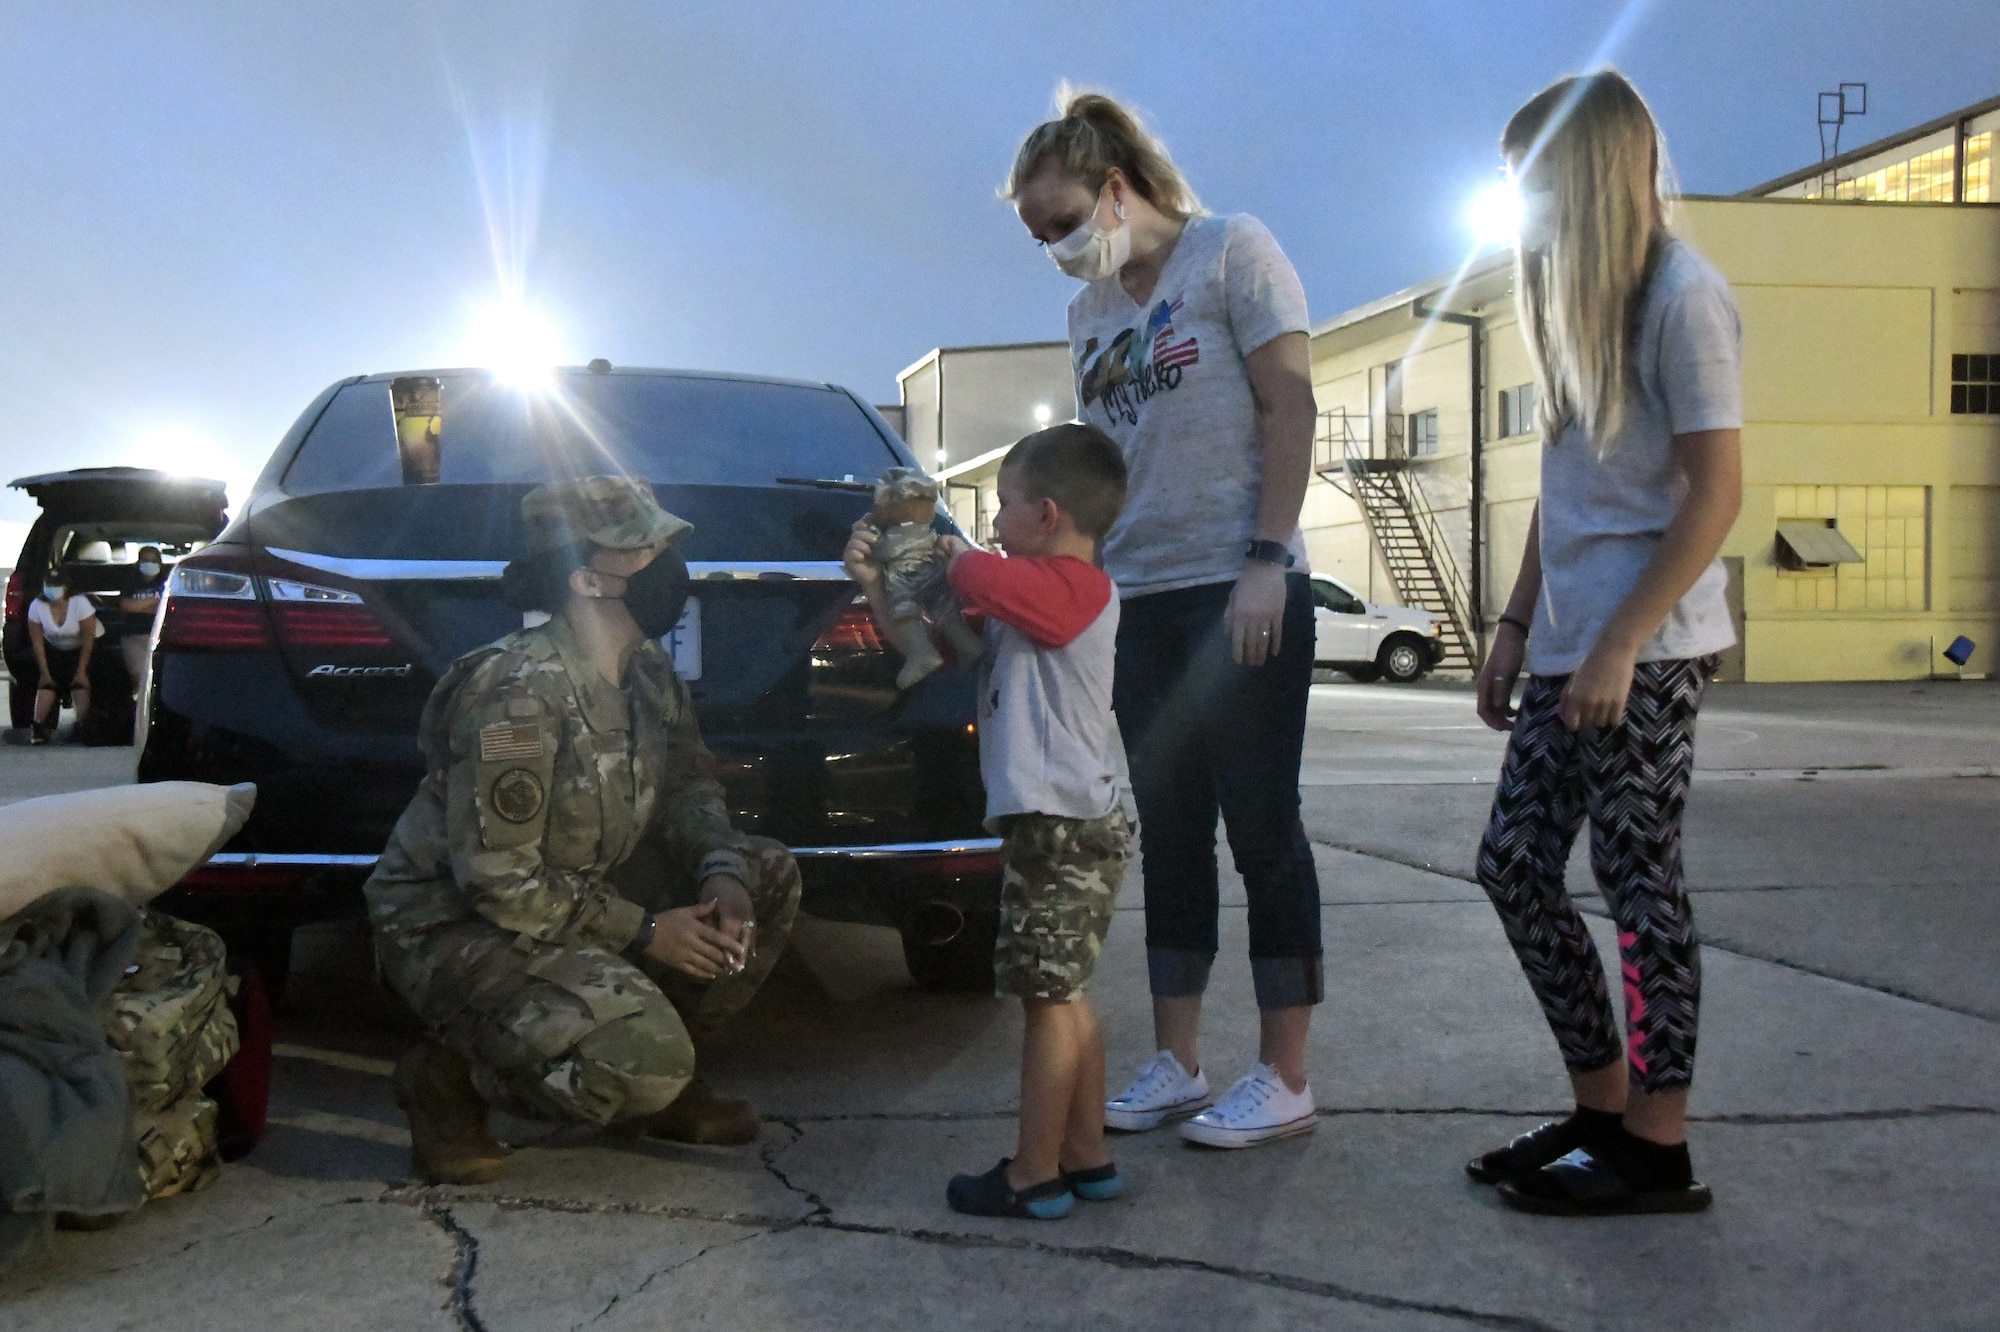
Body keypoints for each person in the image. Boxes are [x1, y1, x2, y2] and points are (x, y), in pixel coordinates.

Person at [1009, 89, 1324, 1148]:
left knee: (1261, 830)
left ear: (1112, 187)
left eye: (1060, 224)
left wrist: (1266, 561)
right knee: (1171, 835)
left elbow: (1290, 405)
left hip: (1235, 586)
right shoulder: (1087, 313)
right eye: (1036, 236)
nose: (1053, 249)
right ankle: (1178, 1061)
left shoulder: (1231, 252)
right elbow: (1103, 470)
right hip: (1135, 598)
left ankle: (1283, 1077)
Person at [1465, 71, 1742, 1216]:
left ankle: (1657, 1149)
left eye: (1530, 185)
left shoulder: (1683, 294)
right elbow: (1559, 489)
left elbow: (1715, 492)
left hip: (1647, 649)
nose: (1519, 208)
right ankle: (1598, 1108)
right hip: (1564, 645)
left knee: (1639, 891)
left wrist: (1621, 642)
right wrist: (1516, 621)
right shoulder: (1578, 300)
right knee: (1515, 867)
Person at [363, 475, 801, 1185]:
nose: (668, 566)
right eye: (645, 551)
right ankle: (450, 1080)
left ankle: (658, 1077)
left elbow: (689, 781)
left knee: (767, 874)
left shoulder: (647, 671)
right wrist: (648, 930)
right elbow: (498, 878)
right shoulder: (517, 692)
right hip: (457, 926)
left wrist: (721, 869)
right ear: (587, 581)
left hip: (570, 890)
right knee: (643, 1061)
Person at [846, 423, 1134, 1219]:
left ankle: (1033, 1173)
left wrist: (939, 540)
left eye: (1002, 505)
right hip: (1059, 824)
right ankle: (1086, 1154)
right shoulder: (1028, 593)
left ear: (1045, 514)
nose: (993, 520)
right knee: (1066, 994)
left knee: (1048, 1000)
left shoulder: (1077, 591)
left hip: (1064, 826)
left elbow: (982, 581)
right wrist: (880, 581)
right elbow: (948, 642)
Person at [25, 569, 101, 745]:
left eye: (56, 586)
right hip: (56, 647)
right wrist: (45, 672)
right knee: (48, 682)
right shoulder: (36, 606)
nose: (52, 589)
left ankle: (83, 725)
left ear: (66, 587)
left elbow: (88, 638)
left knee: (80, 681)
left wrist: (81, 670)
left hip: (86, 647)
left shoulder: (79, 603)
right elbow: (37, 643)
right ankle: (38, 727)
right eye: (49, 586)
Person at [118, 546, 168, 693]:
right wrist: (154, 603)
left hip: (163, 639)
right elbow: (126, 605)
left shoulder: (167, 580)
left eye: (153, 561)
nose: (149, 564)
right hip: (134, 637)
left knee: (162, 680)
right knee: (140, 682)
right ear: (138, 562)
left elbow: (167, 605)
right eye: (145, 560)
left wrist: (140, 607)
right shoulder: (130, 581)